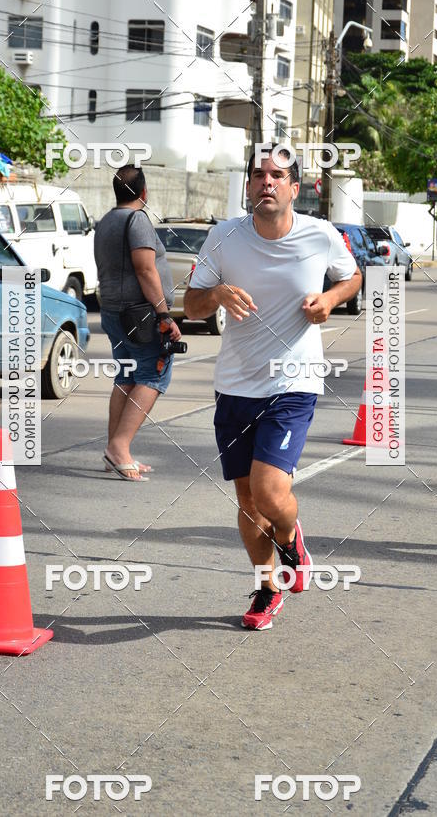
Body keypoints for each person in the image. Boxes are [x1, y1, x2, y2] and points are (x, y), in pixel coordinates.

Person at [184, 147, 361, 629]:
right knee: (247, 501)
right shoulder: (224, 238)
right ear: (248, 186)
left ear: (293, 188)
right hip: (235, 385)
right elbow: (192, 305)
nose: (266, 182)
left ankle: (290, 534)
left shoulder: (320, 235)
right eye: (258, 175)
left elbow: (352, 278)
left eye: (277, 175)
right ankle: (267, 588)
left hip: (294, 382)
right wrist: (216, 294)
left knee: (268, 491)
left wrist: (329, 298)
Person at [95, 165, 181, 482]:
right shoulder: (137, 220)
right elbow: (146, 270)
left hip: (114, 312)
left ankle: (114, 452)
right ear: (144, 194)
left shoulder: (105, 222)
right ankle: (120, 447)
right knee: (155, 374)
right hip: (140, 315)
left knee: (127, 376)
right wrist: (164, 315)